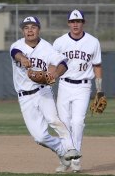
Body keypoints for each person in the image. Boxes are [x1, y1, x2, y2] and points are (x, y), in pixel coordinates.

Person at [10, 16, 81, 169]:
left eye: (33, 27)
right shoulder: (17, 45)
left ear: (39, 29)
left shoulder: (47, 48)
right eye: (26, 27)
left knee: (54, 120)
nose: (30, 30)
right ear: (23, 31)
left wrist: (54, 75)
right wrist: (22, 58)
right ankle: (62, 151)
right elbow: (15, 52)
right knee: (39, 137)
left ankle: (71, 148)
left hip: (43, 91)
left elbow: (63, 63)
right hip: (24, 97)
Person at [53, 9, 103, 173]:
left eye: (78, 21)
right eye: (73, 21)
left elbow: (97, 65)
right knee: (64, 123)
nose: (75, 24)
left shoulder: (93, 42)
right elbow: (52, 64)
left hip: (83, 86)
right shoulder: (60, 42)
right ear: (68, 23)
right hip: (64, 85)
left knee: (77, 122)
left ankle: (75, 159)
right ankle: (65, 158)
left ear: (83, 23)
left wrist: (99, 90)